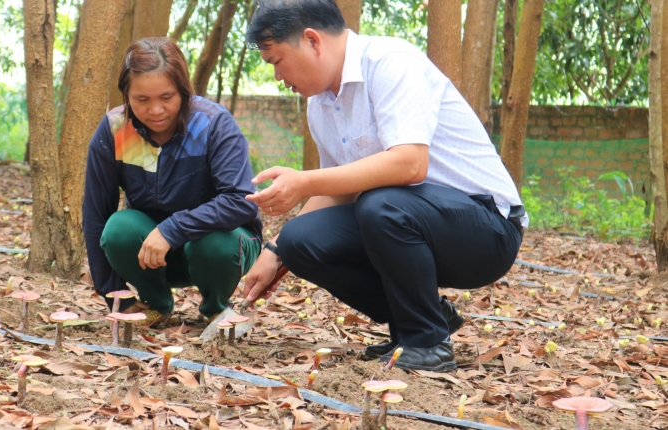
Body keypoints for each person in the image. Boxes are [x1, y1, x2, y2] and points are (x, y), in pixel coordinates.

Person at [241, 0, 526, 372]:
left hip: (486, 229)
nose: (278, 76)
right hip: (409, 220)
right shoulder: (321, 105)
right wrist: (275, 250)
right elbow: (339, 188)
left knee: (381, 203)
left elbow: (409, 164)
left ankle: (428, 343)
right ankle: (421, 320)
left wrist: (304, 180)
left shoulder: (392, 62)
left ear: (312, 40)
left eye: (277, 61)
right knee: (301, 240)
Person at [83, 37, 262, 327]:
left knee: (216, 243)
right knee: (118, 229)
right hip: (151, 254)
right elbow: (95, 214)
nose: (155, 110)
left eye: (166, 97)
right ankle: (156, 303)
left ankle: (217, 308)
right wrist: (114, 293)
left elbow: (241, 201)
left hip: (218, 248)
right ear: (126, 95)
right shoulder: (115, 130)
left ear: (184, 90)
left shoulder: (214, 124)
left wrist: (173, 228)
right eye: (142, 99)